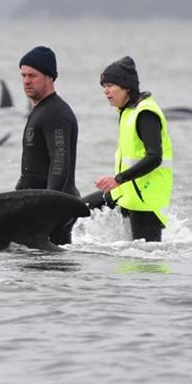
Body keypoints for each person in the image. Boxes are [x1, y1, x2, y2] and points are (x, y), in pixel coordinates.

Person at [84, 56, 173, 242]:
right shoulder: (127, 111)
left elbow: (155, 157)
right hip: (125, 192)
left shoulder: (145, 113)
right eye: (103, 87)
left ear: (126, 87)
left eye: (109, 85)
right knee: (78, 209)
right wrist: (119, 182)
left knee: (145, 262)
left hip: (145, 200)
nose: (105, 92)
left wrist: (118, 179)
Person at [16, 46, 80, 245]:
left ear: (50, 77)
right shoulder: (41, 110)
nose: (26, 81)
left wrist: (49, 205)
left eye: (32, 75)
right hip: (40, 205)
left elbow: (60, 161)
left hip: (54, 209)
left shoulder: (55, 113)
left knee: (51, 270)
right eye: (23, 75)